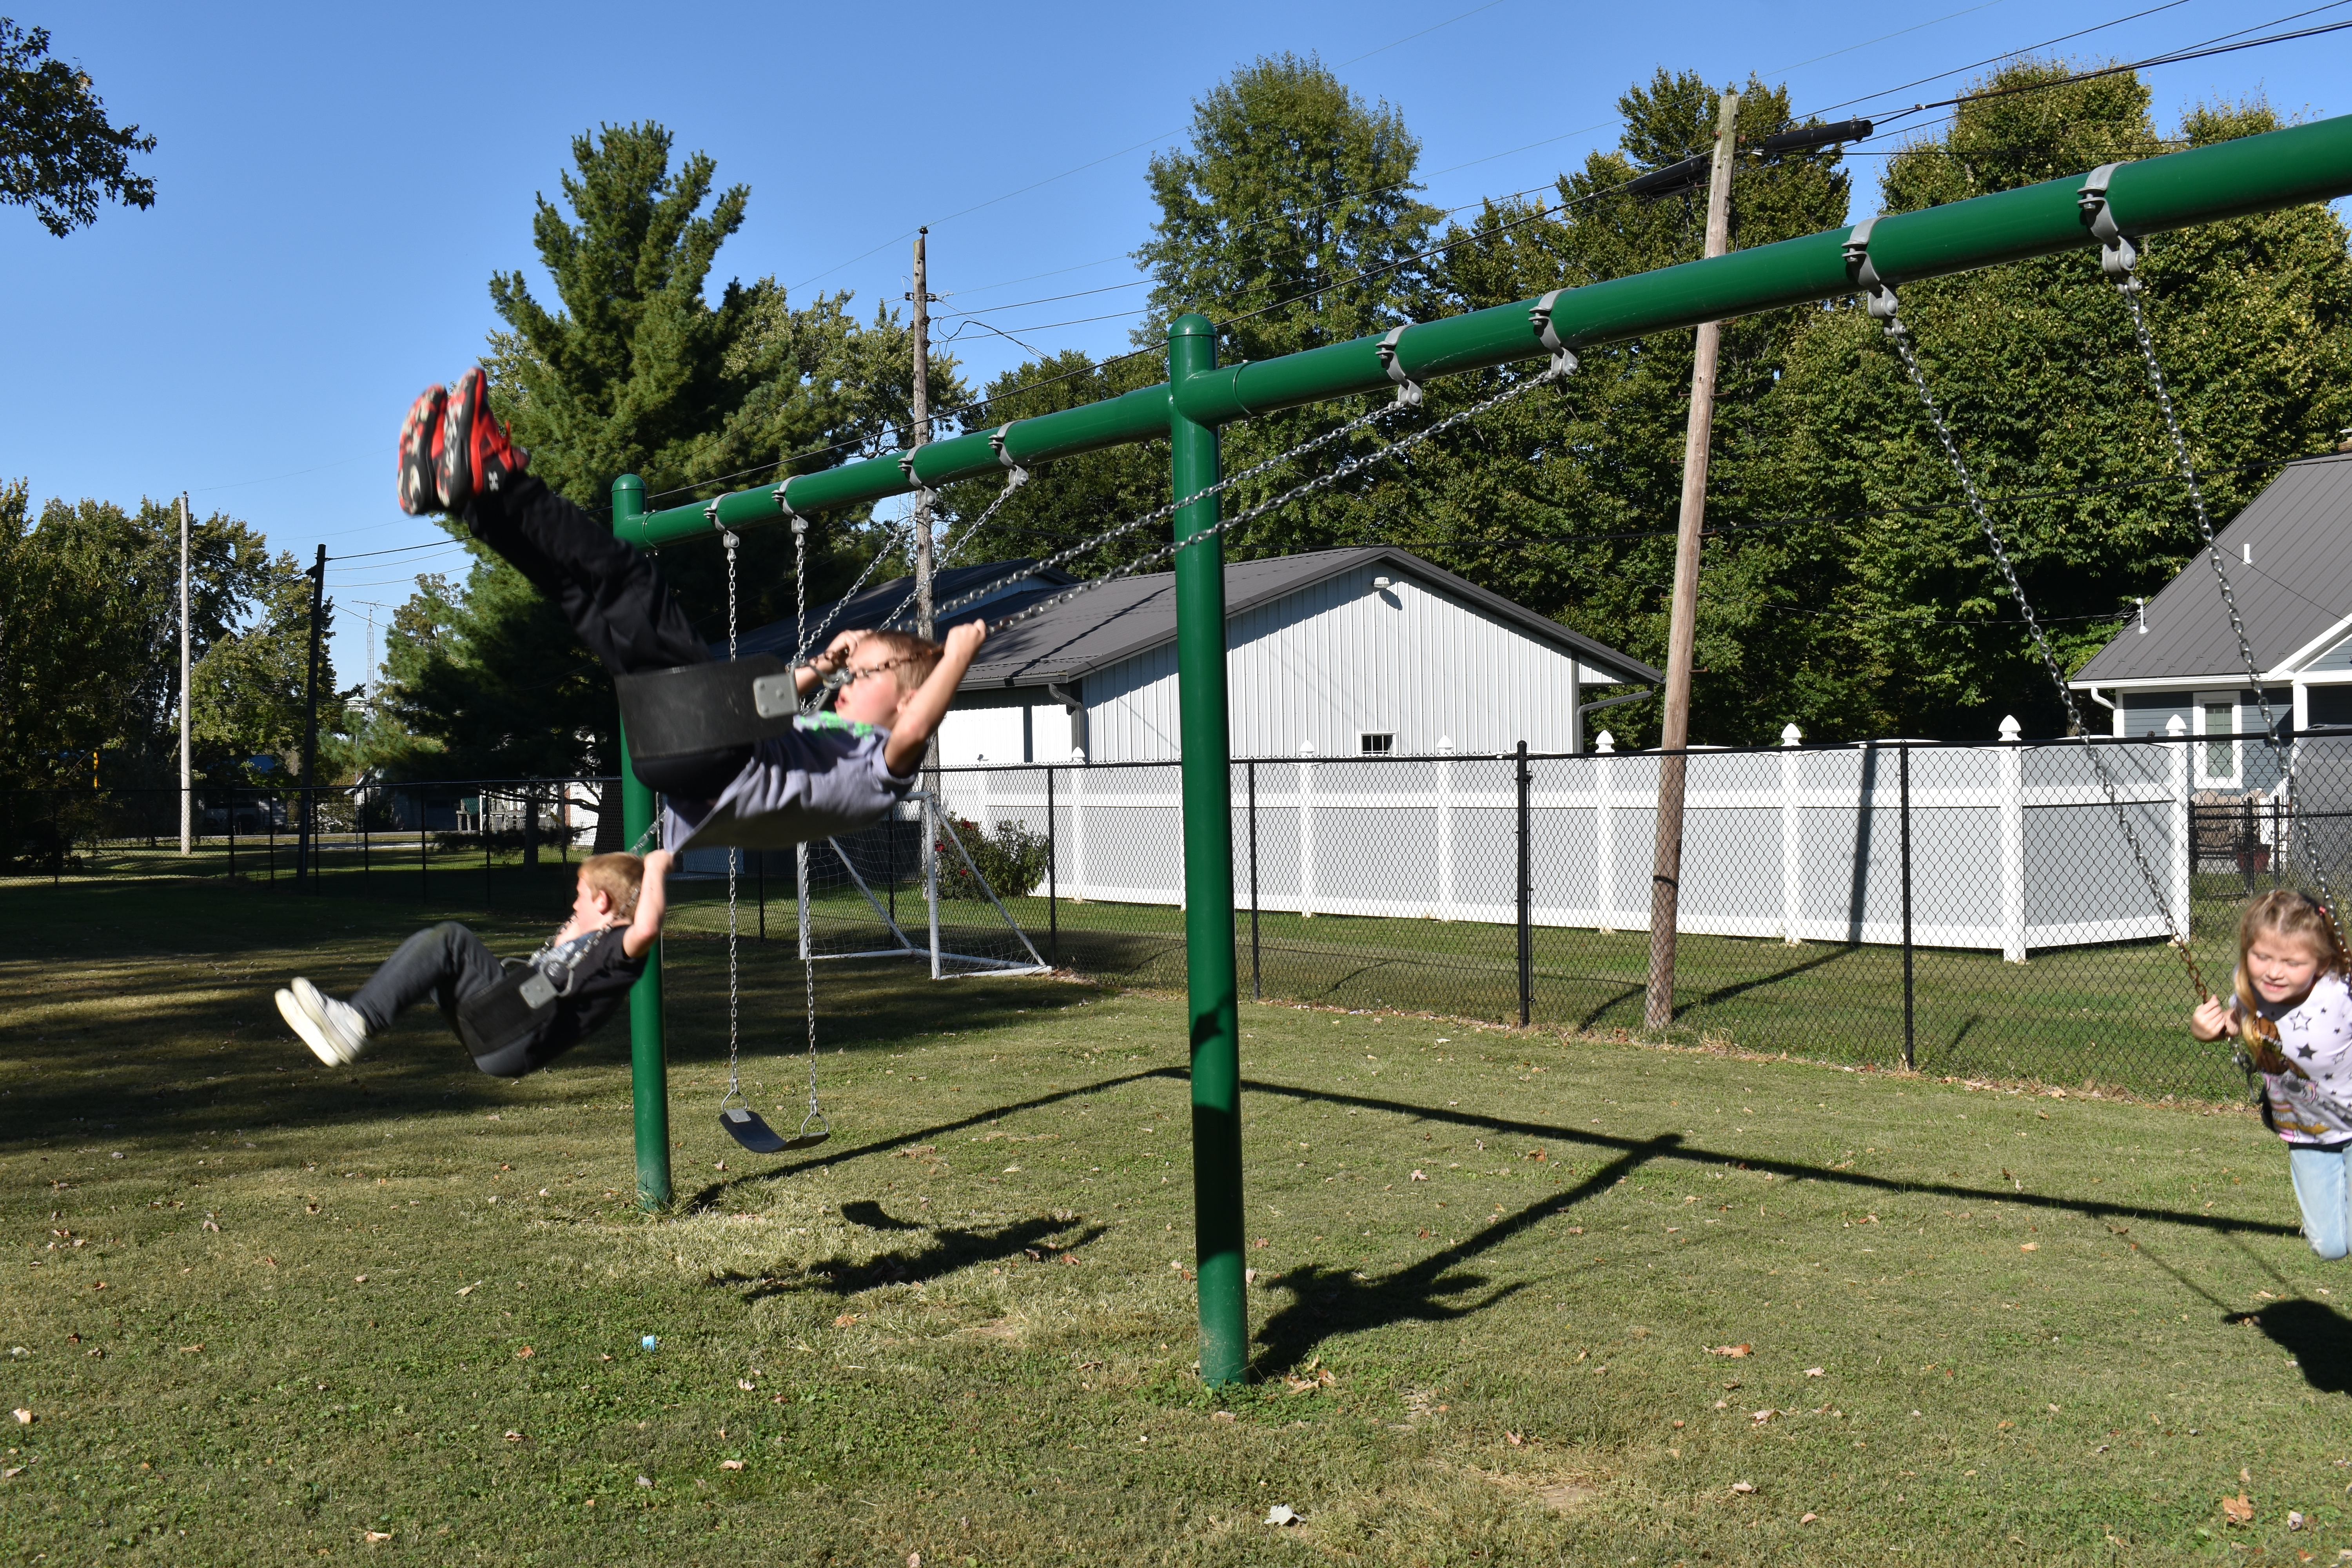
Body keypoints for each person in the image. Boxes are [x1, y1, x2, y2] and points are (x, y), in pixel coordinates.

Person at [396, 366, 986, 851]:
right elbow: (766, 703)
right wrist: (825, 666)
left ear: (906, 700)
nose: (849, 685)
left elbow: (916, 728)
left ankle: (498, 476)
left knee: (628, 579)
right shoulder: (826, 739)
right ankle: (470, 500)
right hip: (671, 751)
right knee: (580, 595)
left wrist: (956, 657)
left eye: (865, 676)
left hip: (706, 746)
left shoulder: (883, 769)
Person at [275, 849, 672, 1079]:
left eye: (580, 896)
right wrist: (564, 945)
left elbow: (647, 928)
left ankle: (355, 1023)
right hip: (500, 1037)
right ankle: (347, 1024)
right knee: (438, 963)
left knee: (451, 940)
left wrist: (654, 868)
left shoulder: (618, 945)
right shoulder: (593, 946)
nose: (574, 903)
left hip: (516, 1037)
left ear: (602, 901)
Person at [2189, 888, 2352, 1258]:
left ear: (2321, 963)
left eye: (2292, 962)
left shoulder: (2340, 995)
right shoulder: (2252, 989)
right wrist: (2208, 1029)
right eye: (2262, 957)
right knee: (2329, 1247)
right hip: (2306, 1133)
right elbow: (2236, 1022)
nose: (2274, 972)